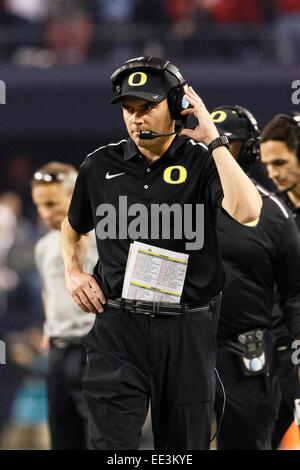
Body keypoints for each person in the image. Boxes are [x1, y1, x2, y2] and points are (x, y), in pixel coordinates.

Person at [60, 56, 262, 450]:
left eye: (147, 107)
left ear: (175, 107)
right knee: (110, 448)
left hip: (185, 329)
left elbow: (248, 210)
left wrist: (213, 138)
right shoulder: (98, 166)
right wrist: (72, 270)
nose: (136, 119)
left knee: (182, 448)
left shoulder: (204, 161)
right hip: (118, 326)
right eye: (128, 110)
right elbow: (74, 225)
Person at [210, 105, 300, 450]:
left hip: (256, 350)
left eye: (226, 144)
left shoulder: (273, 214)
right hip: (188, 345)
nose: (217, 153)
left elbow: (294, 292)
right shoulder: (179, 204)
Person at [31, 161, 97, 450]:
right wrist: (49, 326)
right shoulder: (44, 246)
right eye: (39, 205)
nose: (45, 213)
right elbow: (49, 290)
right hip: (58, 352)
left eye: (51, 203)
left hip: (94, 349)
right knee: (62, 435)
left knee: (99, 437)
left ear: (74, 196)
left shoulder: (101, 238)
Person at [260, 113, 300, 449]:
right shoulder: (269, 212)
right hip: (275, 346)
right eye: (267, 164)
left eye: (281, 162)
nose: (272, 172)